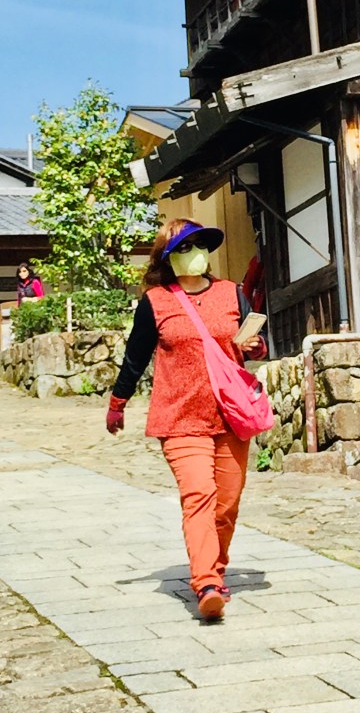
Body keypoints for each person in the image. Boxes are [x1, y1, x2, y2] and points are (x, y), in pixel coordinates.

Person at [105, 218, 267, 619]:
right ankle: (206, 583)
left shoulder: (231, 293)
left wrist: (256, 346)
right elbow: (136, 356)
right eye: (183, 247)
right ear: (167, 257)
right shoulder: (155, 301)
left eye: (199, 245)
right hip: (179, 417)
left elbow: (253, 344)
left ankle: (217, 569)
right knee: (199, 495)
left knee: (226, 504)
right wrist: (118, 402)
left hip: (230, 415)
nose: (194, 254)